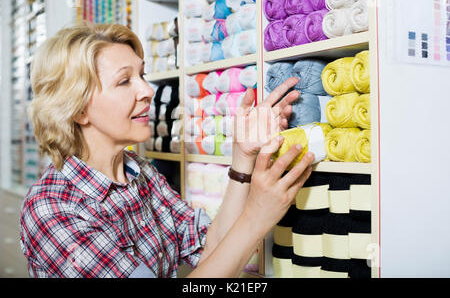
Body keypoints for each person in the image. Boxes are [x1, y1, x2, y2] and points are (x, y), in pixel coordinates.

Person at [19, 23, 314, 278]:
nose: (148, 90)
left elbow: (209, 249)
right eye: (124, 81)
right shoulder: (51, 209)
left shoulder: (139, 172)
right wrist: (257, 216)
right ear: (78, 108)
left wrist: (243, 156)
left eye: (142, 75)